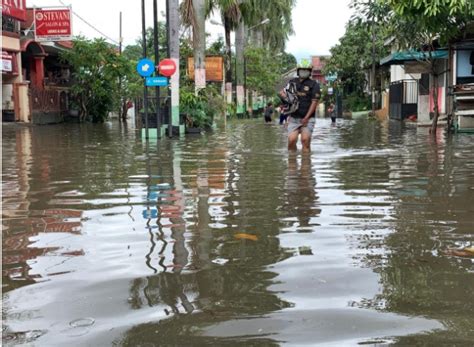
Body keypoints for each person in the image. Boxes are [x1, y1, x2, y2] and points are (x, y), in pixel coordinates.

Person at [279, 62, 321, 152]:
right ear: (298, 71)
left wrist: (306, 118)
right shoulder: (292, 82)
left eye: (306, 70)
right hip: (293, 118)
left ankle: (306, 163)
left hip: (308, 119)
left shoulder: (314, 85)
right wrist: (283, 95)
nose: (304, 71)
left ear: (310, 71)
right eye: (302, 70)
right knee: (291, 140)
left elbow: (314, 102)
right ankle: (292, 162)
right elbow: (286, 96)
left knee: (305, 140)